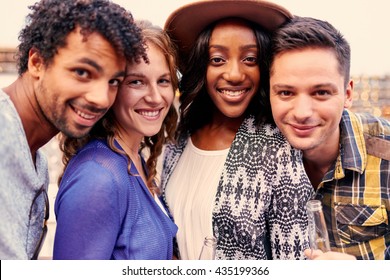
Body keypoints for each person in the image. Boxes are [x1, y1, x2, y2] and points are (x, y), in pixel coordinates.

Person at [161, 0, 313, 260]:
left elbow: (295, 261)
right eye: (217, 59)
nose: (233, 74)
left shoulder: (279, 148)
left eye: (250, 59)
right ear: (201, 67)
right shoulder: (179, 138)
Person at [0, 0, 146, 260]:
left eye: (114, 81)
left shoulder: (36, 160)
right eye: (82, 72)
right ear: (36, 62)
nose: (101, 98)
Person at [53, 20, 179, 260]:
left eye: (163, 80)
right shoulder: (98, 178)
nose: (155, 97)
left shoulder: (133, 157)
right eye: (136, 82)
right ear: (110, 88)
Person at [269, 16, 390, 260]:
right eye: (286, 92)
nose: (302, 112)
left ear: (347, 94)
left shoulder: (386, 152)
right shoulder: (254, 153)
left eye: (321, 92)